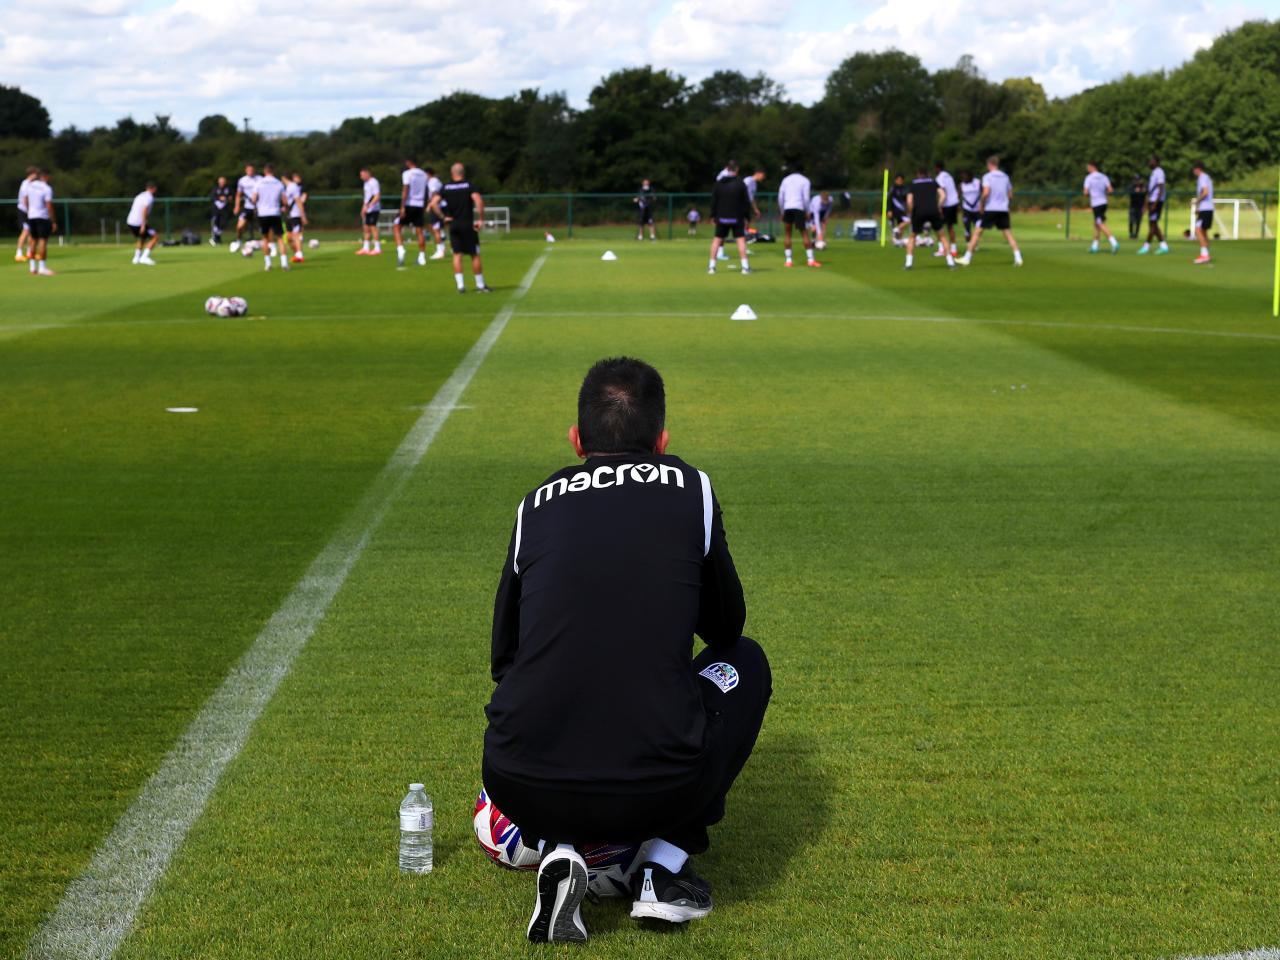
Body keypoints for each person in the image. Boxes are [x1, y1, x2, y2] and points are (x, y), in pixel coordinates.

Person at [482, 356, 770, 944]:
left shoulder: (535, 503)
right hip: (658, 781)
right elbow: (724, 629)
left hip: (518, 778)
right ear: (662, 440)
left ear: (575, 440)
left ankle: (560, 850)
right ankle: (661, 868)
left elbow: (503, 658)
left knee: (551, 689)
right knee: (745, 661)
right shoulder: (692, 487)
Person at [429, 162, 490, 293]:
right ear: (463, 173)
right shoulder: (469, 185)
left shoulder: (446, 187)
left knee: (457, 255)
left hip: (454, 225)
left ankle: (460, 286)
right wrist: (481, 219)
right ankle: (480, 285)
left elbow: (433, 203)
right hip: (467, 224)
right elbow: (479, 201)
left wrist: (443, 217)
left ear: (452, 173)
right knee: (474, 254)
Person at [958, 156, 1022, 267]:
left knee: (977, 233)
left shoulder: (987, 176)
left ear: (989, 164)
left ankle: (967, 258)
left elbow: (986, 192)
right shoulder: (1005, 176)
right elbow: (1010, 195)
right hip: (1003, 209)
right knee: (1007, 233)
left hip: (991, 208)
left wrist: (982, 205)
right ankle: (1018, 257)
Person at [904, 167, 955, 271]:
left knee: (912, 237)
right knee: (942, 236)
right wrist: (939, 206)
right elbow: (943, 195)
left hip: (919, 211)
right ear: (927, 174)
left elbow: (909, 201)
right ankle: (951, 262)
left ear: (918, 174)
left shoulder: (913, 184)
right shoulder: (933, 182)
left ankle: (908, 263)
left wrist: (911, 211)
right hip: (933, 210)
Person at [707, 168, 751, 275]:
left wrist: (712, 215)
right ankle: (745, 267)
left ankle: (711, 267)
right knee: (740, 240)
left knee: (717, 240)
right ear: (737, 169)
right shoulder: (741, 184)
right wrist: (747, 217)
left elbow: (714, 201)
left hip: (721, 217)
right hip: (737, 217)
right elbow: (746, 202)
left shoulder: (719, 184)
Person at [778, 162, 819, 268]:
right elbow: (806, 198)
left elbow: (780, 197)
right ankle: (810, 260)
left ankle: (788, 260)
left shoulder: (785, 180)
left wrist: (782, 211)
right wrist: (808, 211)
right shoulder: (805, 180)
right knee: (804, 233)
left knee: (787, 234)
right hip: (799, 207)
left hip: (787, 207)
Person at [251, 164, 290, 272]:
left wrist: (256, 204)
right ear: (273, 171)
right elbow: (285, 201)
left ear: (265, 171)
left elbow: (253, 199)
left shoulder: (259, 183)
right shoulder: (279, 183)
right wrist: (285, 208)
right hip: (275, 212)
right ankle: (284, 263)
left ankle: (268, 264)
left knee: (265, 238)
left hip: (263, 214)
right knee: (280, 238)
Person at [394, 158, 430, 267]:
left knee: (397, 226)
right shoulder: (424, 174)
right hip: (419, 205)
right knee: (420, 231)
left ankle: (400, 249)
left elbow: (406, 189)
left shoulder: (407, 173)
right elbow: (426, 191)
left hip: (409, 203)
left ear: (409, 162)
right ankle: (422, 257)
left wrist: (402, 206)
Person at [21, 168, 56, 276]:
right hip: (42, 217)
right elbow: (49, 206)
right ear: (46, 177)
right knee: (42, 242)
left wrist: (29, 211)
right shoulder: (47, 188)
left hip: (31, 216)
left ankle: (32, 268)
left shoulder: (29, 185)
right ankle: (42, 267)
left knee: (32, 241)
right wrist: (53, 220)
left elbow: (25, 199)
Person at [1083, 161, 1119, 254]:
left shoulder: (1089, 178)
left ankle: (1114, 242)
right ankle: (1095, 246)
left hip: (1096, 204)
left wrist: (1091, 193)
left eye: (1088, 167)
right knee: (1096, 223)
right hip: (1104, 203)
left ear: (1092, 167)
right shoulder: (1104, 176)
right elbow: (1110, 190)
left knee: (1100, 224)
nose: (1087, 169)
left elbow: (1085, 192)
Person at [1138, 155, 1169, 255]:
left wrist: (1155, 203)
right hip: (1152, 201)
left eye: (1151, 161)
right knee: (1153, 224)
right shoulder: (1153, 173)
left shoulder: (1159, 172)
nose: (1149, 163)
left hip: (1157, 202)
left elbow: (1161, 188)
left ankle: (1147, 246)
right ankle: (1163, 245)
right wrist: (1145, 205)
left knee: (1153, 224)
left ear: (1156, 162)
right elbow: (1150, 191)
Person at [125, 183, 159, 266]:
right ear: (153, 189)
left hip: (130, 221)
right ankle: (144, 257)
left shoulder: (140, 195)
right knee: (155, 237)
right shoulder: (149, 197)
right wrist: (143, 224)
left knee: (142, 238)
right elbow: (144, 210)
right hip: (139, 222)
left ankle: (136, 258)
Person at [934, 162, 960, 259]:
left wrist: (939, 206)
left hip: (946, 204)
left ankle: (942, 249)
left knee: (939, 227)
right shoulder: (949, 176)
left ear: (937, 168)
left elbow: (942, 192)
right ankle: (953, 250)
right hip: (954, 203)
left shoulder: (939, 178)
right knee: (950, 227)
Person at [1192, 161, 1214, 264]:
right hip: (1206, 208)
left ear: (1198, 169)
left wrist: (1197, 201)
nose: (1193, 171)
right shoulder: (1206, 177)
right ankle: (1206, 254)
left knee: (1198, 230)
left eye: (1194, 169)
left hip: (1206, 208)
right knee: (1204, 231)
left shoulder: (1202, 177)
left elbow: (1205, 192)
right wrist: (1198, 207)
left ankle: (1204, 255)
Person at [15, 166, 37, 262]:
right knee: (25, 231)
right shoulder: (25, 184)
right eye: (35, 173)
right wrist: (29, 211)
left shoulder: (32, 184)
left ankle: (29, 253)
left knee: (31, 232)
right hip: (24, 211)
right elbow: (25, 199)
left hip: (29, 211)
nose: (36, 175)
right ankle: (18, 253)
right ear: (31, 174)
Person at [358, 167, 382, 255]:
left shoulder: (374, 182)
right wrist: (363, 208)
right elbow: (366, 197)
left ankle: (377, 248)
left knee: (373, 227)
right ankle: (366, 248)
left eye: (362, 175)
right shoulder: (366, 183)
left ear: (367, 173)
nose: (361, 177)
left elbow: (376, 196)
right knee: (365, 228)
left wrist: (369, 205)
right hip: (367, 209)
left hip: (374, 209)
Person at [233, 164, 259, 244]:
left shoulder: (260, 179)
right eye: (248, 170)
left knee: (265, 227)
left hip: (259, 207)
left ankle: (269, 244)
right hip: (247, 207)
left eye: (252, 170)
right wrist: (237, 206)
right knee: (239, 226)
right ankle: (239, 240)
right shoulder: (242, 180)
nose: (250, 172)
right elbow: (238, 194)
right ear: (246, 170)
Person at [285, 172, 307, 263]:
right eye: (295, 177)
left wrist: (303, 215)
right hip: (289, 215)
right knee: (288, 237)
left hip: (296, 214)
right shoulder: (288, 187)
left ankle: (299, 255)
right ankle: (297, 253)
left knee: (297, 235)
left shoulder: (302, 188)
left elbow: (302, 200)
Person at [425, 166, 446, 259]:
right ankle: (442, 247)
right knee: (437, 228)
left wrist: (430, 205)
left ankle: (440, 251)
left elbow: (434, 193)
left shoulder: (432, 181)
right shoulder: (435, 181)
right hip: (441, 206)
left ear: (428, 174)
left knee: (435, 229)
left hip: (437, 207)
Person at [959, 170, 982, 243]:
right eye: (963, 177)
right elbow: (958, 196)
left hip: (977, 209)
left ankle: (975, 242)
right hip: (967, 209)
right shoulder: (961, 185)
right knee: (967, 228)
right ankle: (969, 243)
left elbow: (983, 193)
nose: (964, 179)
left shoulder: (977, 182)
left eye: (965, 177)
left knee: (978, 227)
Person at [210, 176, 232, 246]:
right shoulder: (215, 189)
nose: (222, 183)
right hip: (216, 209)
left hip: (225, 209)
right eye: (221, 181)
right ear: (218, 182)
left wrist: (227, 198)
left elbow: (231, 197)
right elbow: (212, 197)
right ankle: (216, 238)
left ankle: (216, 237)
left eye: (223, 181)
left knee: (223, 224)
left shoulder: (228, 189)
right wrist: (220, 198)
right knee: (216, 224)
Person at [888, 174, 909, 246]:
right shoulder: (893, 188)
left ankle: (898, 241)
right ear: (896, 180)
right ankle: (896, 233)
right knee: (908, 221)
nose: (900, 181)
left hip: (903, 210)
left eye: (901, 180)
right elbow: (889, 199)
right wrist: (889, 210)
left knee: (902, 225)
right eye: (898, 180)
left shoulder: (905, 188)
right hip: (895, 210)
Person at [1127, 174, 1146, 240]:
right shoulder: (1131, 186)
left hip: (1140, 206)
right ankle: (1131, 234)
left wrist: (1144, 207)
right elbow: (1129, 192)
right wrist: (1135, 191)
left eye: (1138, 180)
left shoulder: (1143, 187)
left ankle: (1136, 235)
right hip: (1133, 206)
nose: (1137, 181)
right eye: (1135, 180)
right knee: (1131, 221)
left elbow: (1145, 196)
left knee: (1138, 221)